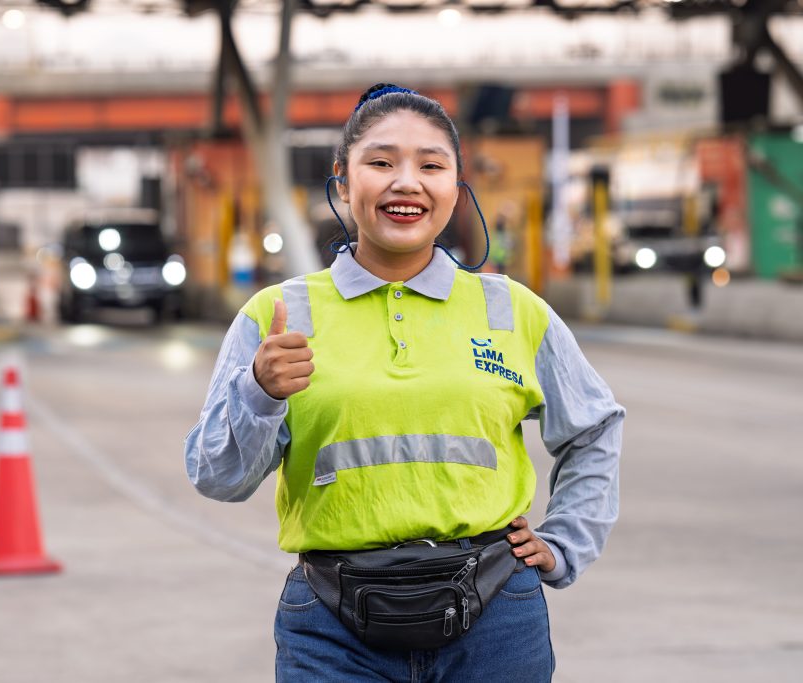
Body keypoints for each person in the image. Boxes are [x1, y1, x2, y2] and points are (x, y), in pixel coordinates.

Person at [184, 84, 624, 682]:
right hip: (333, 628)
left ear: (456, 189)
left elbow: (595, 428)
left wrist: (566, 541)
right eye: (382, 162)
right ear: (342, 182)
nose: (407, 182)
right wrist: (259, 394)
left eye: (432, 165)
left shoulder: (513, 310)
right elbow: (218, 477)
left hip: (496, 617)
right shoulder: (277, 316)